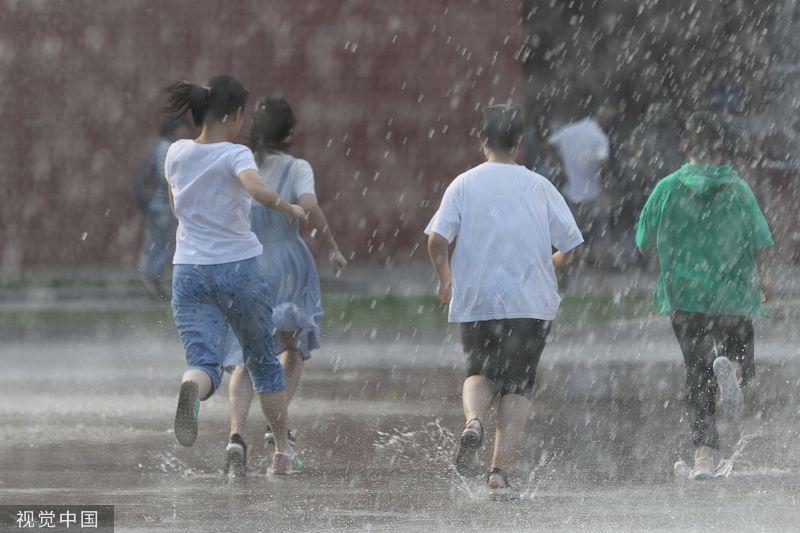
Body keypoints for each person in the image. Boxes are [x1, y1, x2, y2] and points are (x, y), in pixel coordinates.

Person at [425, 104, 583, 500]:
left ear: (481, 139)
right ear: (518, 141)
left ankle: (474, 421)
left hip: (478, 298)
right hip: (530, 302)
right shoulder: (539, 185)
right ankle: (498, 473)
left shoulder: (462, 184)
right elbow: (572, 245)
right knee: (518, 385)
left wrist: (445, 279)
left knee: (478, 369)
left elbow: (436, 240)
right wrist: (550, 264)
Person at [162, 75, 307, 475]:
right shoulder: (236, 154)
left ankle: (193, 386)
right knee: (262, 361)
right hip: (237, 268)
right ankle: (282, 451)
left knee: (203, 361)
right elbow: (257, 190)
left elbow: (177, 208)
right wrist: (287, 207)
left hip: (188, 270)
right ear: (234, 114)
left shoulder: (176, 152)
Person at [635, 111, 774, 480]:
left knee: (696, 374)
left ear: (686, 147)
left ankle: (703, 459)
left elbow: (644, 241)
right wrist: (763, 278)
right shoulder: (738, 188)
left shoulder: (667, 188)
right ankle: (734, 371)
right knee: (742, 355)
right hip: (733, 292)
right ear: (721, 146)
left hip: (684, 294)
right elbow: (760, 238)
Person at [221, 96, 348, 476]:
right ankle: (278, 426)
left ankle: (235, 436)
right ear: (290, 132)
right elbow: (309, 205)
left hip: (247, 261)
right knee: (292, 347)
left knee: (246, 353)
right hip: (289, 265)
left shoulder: (239, 163)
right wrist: (333, 247)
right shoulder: (296, 168)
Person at [544, 110, 611, 285]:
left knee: (568, 238)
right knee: (599, 238)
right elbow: (602, 162)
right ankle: (600, 281)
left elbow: (548, 145)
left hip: (572, 193)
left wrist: (560, 169)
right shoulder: (599, 137)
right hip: (593, 194)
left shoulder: (568, 131)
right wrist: (601, 181)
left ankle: (563, 276)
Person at [132, 117, 192, 298]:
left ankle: (153, 277)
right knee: (162, 244)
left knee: (158, 243)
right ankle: (152, 276)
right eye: (183, 129)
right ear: (174, 129)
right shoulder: (166, 148)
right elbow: (169, 176)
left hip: (158, 206)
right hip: (163, 205)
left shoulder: (157, 146)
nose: (186, 134)